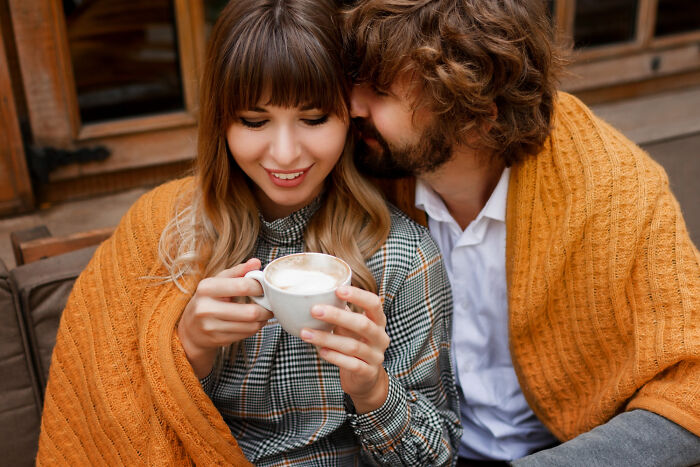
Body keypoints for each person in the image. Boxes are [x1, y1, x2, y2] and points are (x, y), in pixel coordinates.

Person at [36, 0, 461, 465]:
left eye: (314, 118)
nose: (284, 153)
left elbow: (437, 455)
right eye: (255, 122)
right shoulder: (167, 236)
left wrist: (373, 391)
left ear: (350, 115)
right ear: (221, 121)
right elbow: (113, 420)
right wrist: (187, 353)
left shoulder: (399, 255)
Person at [342, 0, 700, 465]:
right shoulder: (363, 169)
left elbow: (691, 387)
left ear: (477, 114)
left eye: (382, 91)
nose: (352, 106)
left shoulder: (615, 189)